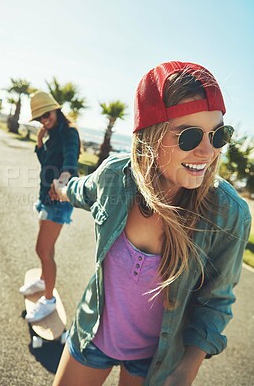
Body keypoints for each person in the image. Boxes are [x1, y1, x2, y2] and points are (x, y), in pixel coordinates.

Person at [51, 61, 251, 386]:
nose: (207, 151)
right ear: (150, 136)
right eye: (189, 136)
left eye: (219, 134)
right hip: (93, 337)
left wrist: (185, 372)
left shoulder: (228, 214)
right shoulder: (116, 177)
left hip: (154, 362)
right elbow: (82, 190)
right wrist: (61, 187)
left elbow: (216, 300)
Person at [19, 91, 81, 323]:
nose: (44, 121)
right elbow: (46, 162)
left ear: (56, 109)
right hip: (46, 198)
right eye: (40, 119)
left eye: (46, 115)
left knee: (42, 251)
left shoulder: (69, 133)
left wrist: (63, 181)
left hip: (57, 200)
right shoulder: (52, 135)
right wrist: (39, 141)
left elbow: (70, 162)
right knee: (47, 250)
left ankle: (48, 300)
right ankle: (45, 280)